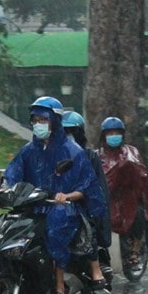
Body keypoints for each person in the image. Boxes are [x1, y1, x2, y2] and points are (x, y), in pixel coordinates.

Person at [0, 97, 108, 294]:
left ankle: (59, 289)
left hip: (64, 208)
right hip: (34, 206)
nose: (38, 124)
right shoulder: (29, 150)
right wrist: (2, 190)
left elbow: (86, 186)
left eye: (43, 120)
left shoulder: (73, 151)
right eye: (35, 120)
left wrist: (67, 196)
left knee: (56, 228)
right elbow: (12, 173)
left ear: (54, 121)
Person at [62, 110, 113, 279]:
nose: (67, 136)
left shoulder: (89, 156)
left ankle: (95, 268)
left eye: (70, 132)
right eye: (63, 132)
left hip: (82, 205)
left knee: (85, 225)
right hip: (55, 205)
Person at [98, 116, 148, 266]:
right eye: (110, 133)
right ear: (104, 135)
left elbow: (143, 176)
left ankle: (134, 251)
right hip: (108, 199)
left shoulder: (131, 152)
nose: (113, 136)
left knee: (138, 216)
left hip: (130, 197)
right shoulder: (98, 155)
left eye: (116, 133)